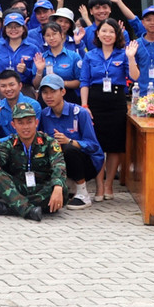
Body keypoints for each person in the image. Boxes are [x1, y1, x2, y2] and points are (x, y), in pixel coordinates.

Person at [79, 19, 137, 200]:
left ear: (117, 35)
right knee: (97, 145)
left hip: (116, 102)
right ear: (97, 33)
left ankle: (109, 184)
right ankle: (99, 185)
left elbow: (135, 77)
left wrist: (131, 57)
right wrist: (84, 105)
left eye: (111, 31)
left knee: (114, 145)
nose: (107, 35)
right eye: (104, 31)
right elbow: (84, 82)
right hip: (95, 102)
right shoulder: (90, 55)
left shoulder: (123, 54)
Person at [0, 103, 67, 221]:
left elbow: (59, 165)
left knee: (62, 189)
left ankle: (10, 206)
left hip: (41, 188)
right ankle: (29, 211)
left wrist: (58, 186)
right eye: (20, 123)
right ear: (13, 125)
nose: (25, 127)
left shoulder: (49, 142)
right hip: (19, 187)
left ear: (36, 123)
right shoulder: (9, 143)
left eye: (29, 122)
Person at [36, 74, 103, 209]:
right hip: (59, 162)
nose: (48, 96)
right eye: (45, 92)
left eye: (53, 92)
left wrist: (70, 141)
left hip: (87, 163)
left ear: (63, 92)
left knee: (68, 148)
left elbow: (94, 146)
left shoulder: (80, 113)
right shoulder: (43, 114)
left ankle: (83, 194)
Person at [0, 12, 39, 92]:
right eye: (9, 27)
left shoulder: (33, 48)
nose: (13, 29)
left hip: (25, 89)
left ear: (23, 28)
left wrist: (25, 71)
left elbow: (36, 76)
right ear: (5, 29)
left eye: (17, 26)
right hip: (4, 90)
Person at [32, 22, 83, 105]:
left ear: (61, 35)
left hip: (68, 96)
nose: (51, 38)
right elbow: (36, 85)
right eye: (48, 35)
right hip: (46, 98)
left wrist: (59, 82)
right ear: (44, 38)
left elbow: (80, 82)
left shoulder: (74, 56)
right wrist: (39, 71)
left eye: (54, 34)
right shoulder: (41, 58)